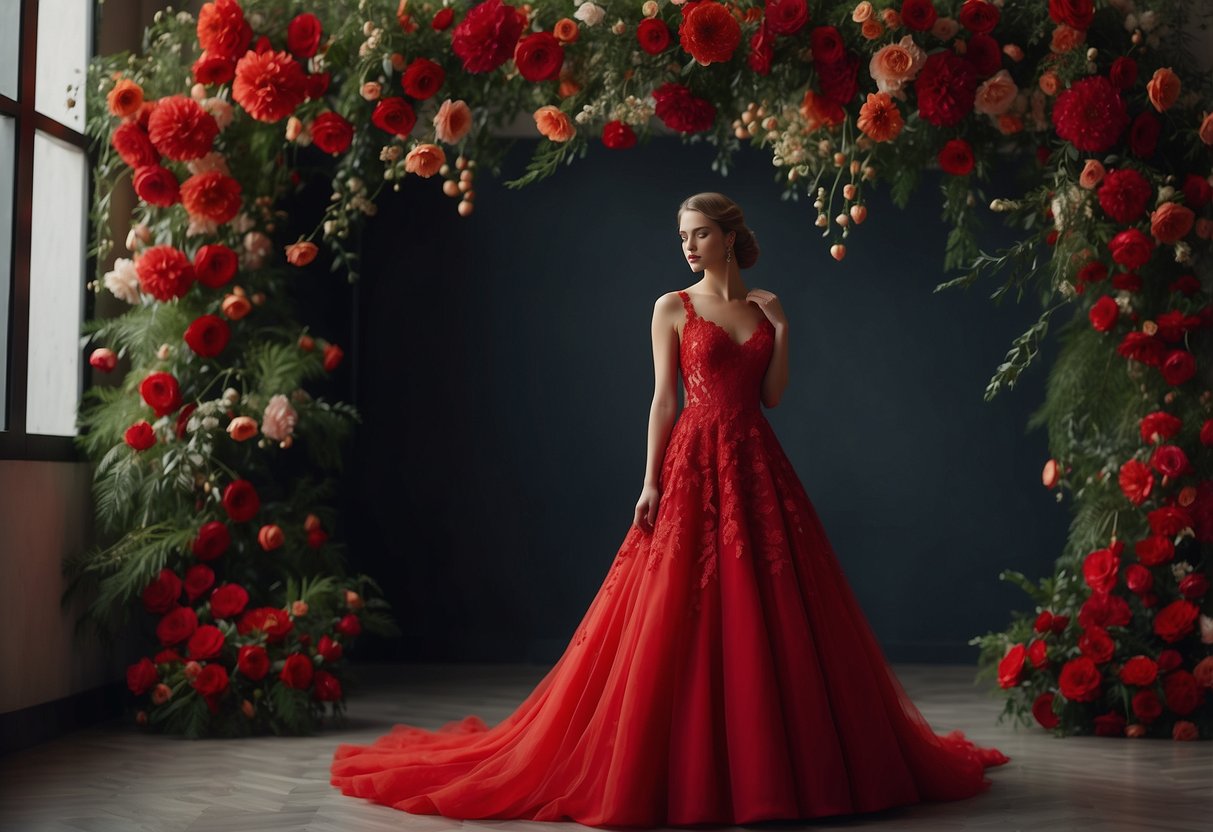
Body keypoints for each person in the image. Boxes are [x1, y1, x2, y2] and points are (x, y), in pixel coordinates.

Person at [330, 192, 1009, 826]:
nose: (688, 245)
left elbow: (771, 397)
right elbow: (663, 400)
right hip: (693, 458)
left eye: (699, 233)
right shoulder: (672, 306)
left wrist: (781, 328)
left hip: (755, 459)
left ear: (728, 236)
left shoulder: (764, 306)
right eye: (682, 236)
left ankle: (771, 765)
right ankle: (678, 761)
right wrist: (649, 480)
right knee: (676, 598)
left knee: (772, 599)